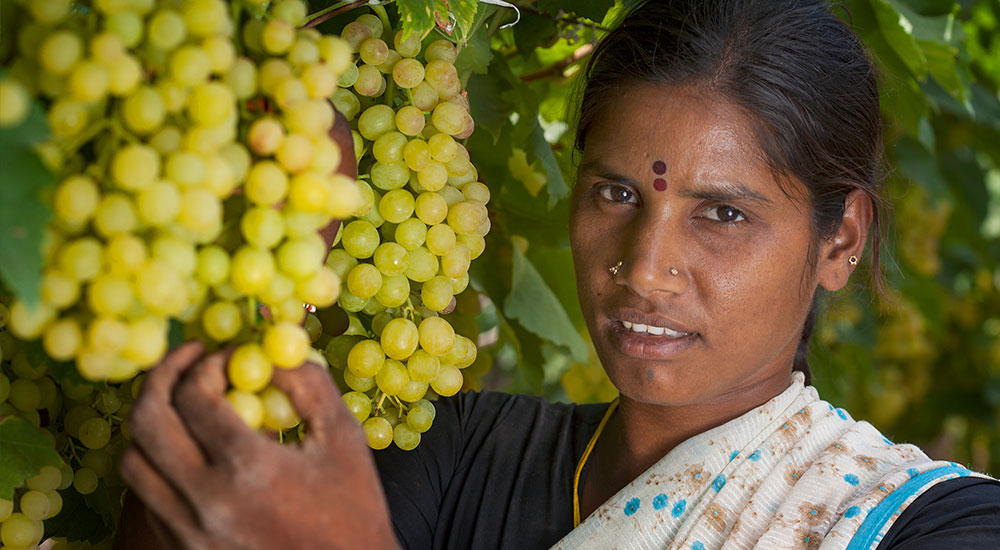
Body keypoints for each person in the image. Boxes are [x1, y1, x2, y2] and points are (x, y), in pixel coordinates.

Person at [116, 0, 1000, 548]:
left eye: (722, 214)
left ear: (841, 240)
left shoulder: (934, 529)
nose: (644, 269)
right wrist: (274, 250)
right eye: (616, 192)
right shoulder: (453, 451)